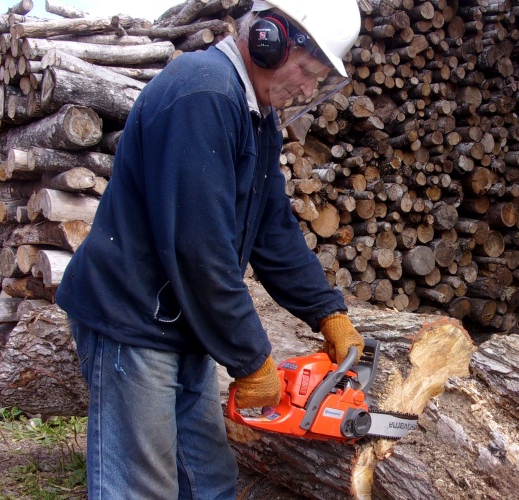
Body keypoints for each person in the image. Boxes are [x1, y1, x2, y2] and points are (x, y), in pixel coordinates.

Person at [54, 0, 364, 497]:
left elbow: (271, 228)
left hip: (180, 320)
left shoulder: (255, 114)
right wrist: (252, 360)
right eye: (306, 71)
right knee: (142, 485)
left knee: (209, 479)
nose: (307, 89)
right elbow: (199, 247)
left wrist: (327, 313)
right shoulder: (204, 93)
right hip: (133, 317)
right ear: (269, 38)